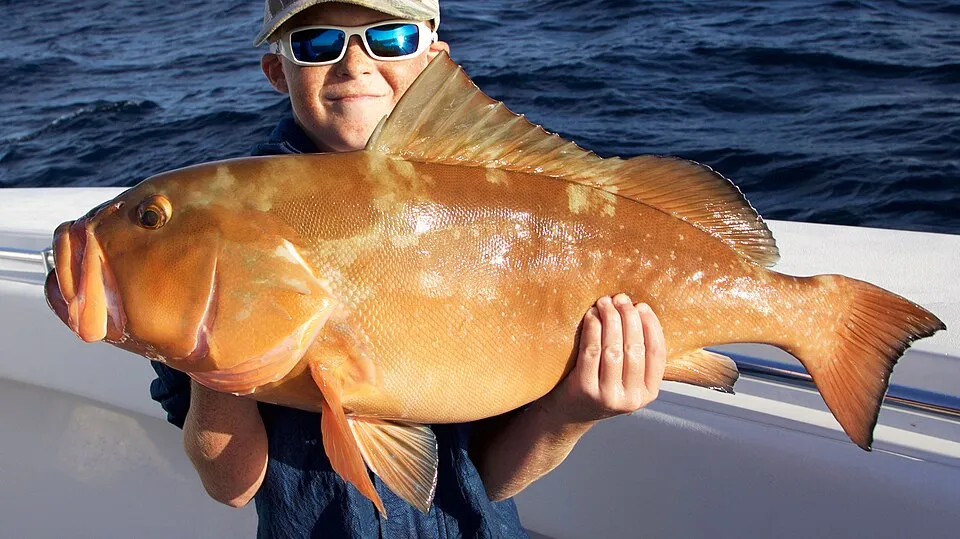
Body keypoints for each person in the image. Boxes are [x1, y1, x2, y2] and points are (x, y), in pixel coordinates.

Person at [150, 1, 667, 537]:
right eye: (317, 43)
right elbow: (230, 485)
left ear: (433, 57)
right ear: (278, 70)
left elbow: (491, 480)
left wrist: (571, 412)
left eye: (391, 38)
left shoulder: (499, 188)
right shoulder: (220, 225)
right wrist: (217, 348)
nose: (354, 64)